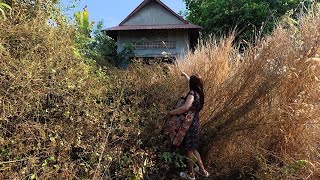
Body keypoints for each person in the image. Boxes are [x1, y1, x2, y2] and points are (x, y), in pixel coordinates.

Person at [168, 72, 209, 180]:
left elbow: (185, 108)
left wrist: (172, 112)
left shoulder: (191, 94)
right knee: (193, 148)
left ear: (192, 84)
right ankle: (202, 171)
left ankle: (190, 174)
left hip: (188, 124)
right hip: (195, 122)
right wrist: (186, 76)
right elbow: (190, 82)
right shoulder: (199, 93)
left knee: (189, 151)